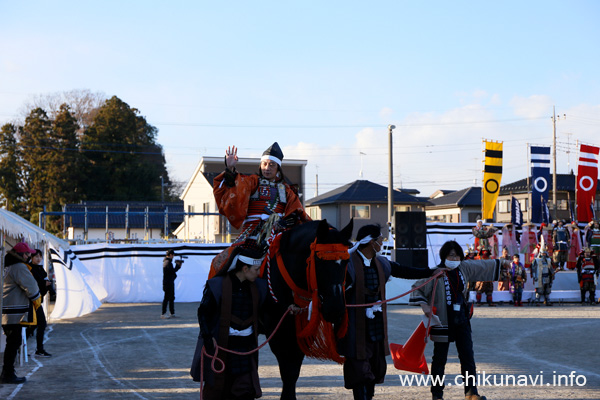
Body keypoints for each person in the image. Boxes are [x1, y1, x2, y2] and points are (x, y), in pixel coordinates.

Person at [338, 224, 439, 400]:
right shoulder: (347, 264)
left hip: (375, 324)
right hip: (355, 325)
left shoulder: (382, 263)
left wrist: (431, 272)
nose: (382, 242)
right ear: (371, 242)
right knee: (359, 368)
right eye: (380, 239)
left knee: (374, 367)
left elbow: (404, 271)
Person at [409, 240, 510, 400]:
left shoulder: (464, 268)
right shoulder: (435, 273)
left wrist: (502, 262)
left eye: (457, 256)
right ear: (444, 256)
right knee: (440, 359)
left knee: (467, 356)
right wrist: (424, 306)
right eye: (451, 255)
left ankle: (471, 393)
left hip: (462, 319)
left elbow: (482, 266)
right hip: (442, 321)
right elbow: (417, 288)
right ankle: (437, 395)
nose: (454, 259)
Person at [210, 143, 310, 276]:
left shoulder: (287, 190)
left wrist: (286, 222)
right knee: (225, 262)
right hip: (252, 232)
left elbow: (297, 212)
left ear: (278, 168)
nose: (267, 168)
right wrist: (230, 168)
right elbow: (235, 187)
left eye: (271, 165)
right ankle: (216, 292)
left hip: (278, 232)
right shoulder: (252, 181)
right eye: (264, 164)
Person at [193, 246, 268, 400]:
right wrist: (208, 338)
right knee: (219, 390)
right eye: (256, 269)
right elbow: (203, 313)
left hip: (246, 348)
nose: (258, 273)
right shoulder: (216, 285)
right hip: (221, 347)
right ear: (245, 268)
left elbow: (268, 313)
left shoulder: (259, 287)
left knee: (245, 390)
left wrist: (290, 308)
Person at [2, 242, 41, 384]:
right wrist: (37, 302)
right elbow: (32, 287)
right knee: (13, 343)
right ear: (19, 254)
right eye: (27, 254)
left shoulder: (6, 265)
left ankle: (8, 373)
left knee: (12, 342)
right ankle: (7, 374)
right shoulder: (19, 267)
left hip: (7, 310)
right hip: (14, 312)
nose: (29, 256)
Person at [25, 249, 53, 357]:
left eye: (40, 256)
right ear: (31, 257)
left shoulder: (41, 269)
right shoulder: (29, 269)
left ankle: (39, 349)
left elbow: (45, 285)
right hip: (30, 302)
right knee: (32, 326)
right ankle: (23, 348)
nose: (38, 258)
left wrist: (47, 287)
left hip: (37, 302)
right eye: (36, 256)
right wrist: (44, 284)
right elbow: (34, 284)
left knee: (38, 325)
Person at [162, 249, 183, 319]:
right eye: (173, 255)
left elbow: (172, 272)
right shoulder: (168, 262)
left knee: (171, 298)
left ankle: (172, 313)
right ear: (171, 255)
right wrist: (178, 266)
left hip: (169, 282)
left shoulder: (167, 262)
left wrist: (177, 266)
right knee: (167, 298)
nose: (173, 256)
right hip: (168, 283)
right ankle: (163, 313)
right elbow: (172, 271)